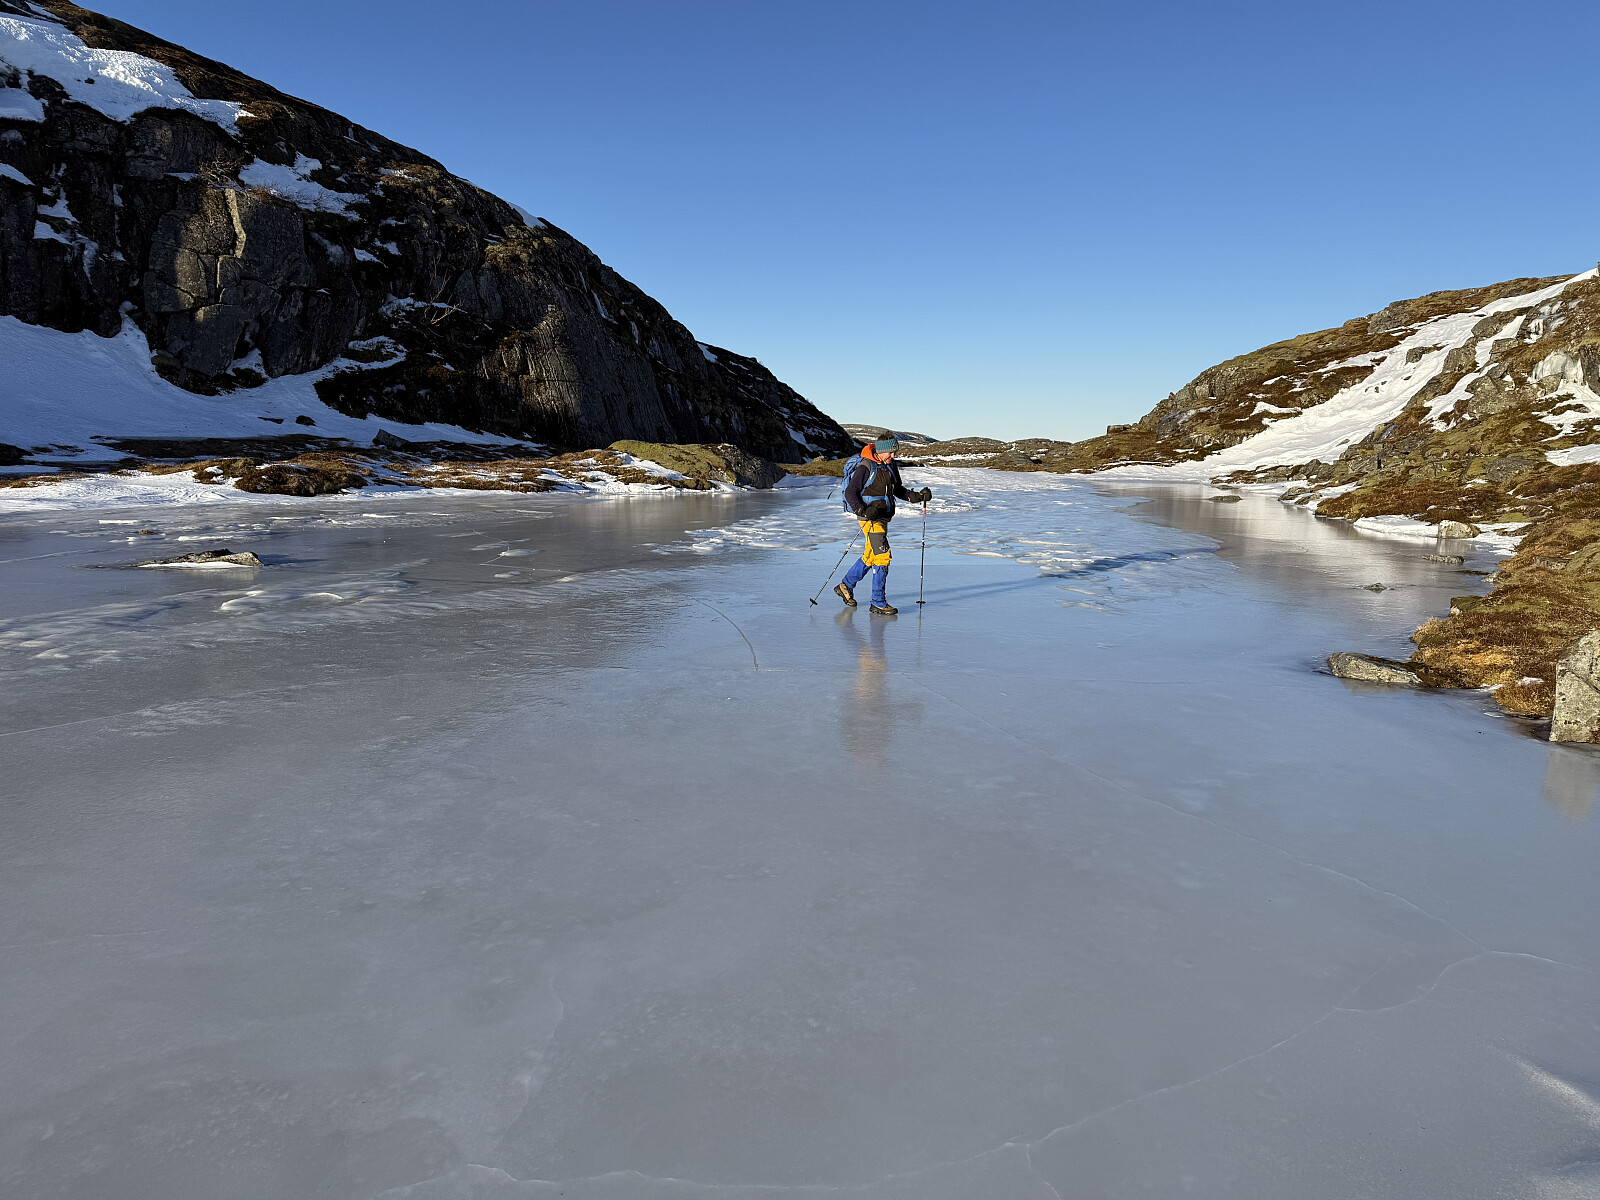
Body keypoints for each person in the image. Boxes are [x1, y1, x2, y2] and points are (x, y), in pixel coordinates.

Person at [834, 434, 931, 616]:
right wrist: (863, 510)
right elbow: (851, 492)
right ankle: (877, 602)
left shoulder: (890, 466)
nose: (893, 456)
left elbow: (897, 489)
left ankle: (845, 585)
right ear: (880, 451)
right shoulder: (865, 466)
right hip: (869, 519)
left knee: (871, 555)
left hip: (883, 517)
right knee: (883, 557)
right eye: (890, 453)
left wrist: (917, 496)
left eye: (895, 453)